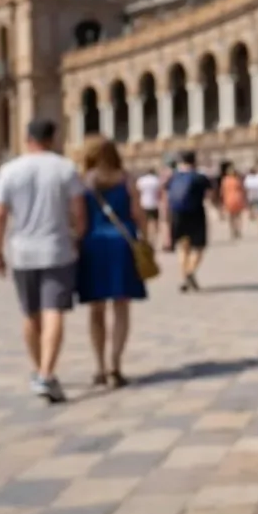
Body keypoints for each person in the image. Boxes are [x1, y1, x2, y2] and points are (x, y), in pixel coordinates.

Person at [0, 119, 85, 404]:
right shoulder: (65, 168)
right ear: (52, 138)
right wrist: (77, 237)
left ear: (26, 138)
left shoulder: (9, 170)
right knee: (53, 310)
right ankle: (46, 373)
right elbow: (78, 211)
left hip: (22, 252)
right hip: (57, 248)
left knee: (30, 313)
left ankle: (38, 370)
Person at [77, 137, 147, 389]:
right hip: (123, 245)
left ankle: (98, 367)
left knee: (96, 310)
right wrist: (146, 240)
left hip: (94, 245)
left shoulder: (83, 182)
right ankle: (115, 365)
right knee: (121, 307)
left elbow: (80, 220)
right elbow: (139, 214)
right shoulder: (126, 180)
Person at [165, 150, 213, 292]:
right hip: (196, 213)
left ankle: (184, 276)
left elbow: (167, 196)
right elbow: (209, 194)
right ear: (194, 161)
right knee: (198, 247)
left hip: (177, 214)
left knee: (182, 247)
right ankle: (191, 271)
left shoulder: (173, 177)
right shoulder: (200, 177)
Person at [219, 161, 247, 240]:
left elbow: (222, 192)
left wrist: (221, 202)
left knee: (231, 217)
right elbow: (242, 189)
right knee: (238, 216)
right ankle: (238, 229)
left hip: (228, 199)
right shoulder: (237, 180)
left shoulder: (225, 180)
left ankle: (233, 230)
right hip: (238, 198)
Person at [135, 167, 162, 242]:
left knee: (145, 221)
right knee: (154, 221)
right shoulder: (156, 180)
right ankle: (154, 236)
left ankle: (146, 235)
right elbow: (160, 192)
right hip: (154, 203)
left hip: (144, 203)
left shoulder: (141, 180)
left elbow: (137, 191)